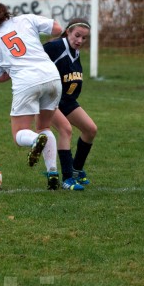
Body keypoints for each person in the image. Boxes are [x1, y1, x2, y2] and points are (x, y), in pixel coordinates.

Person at [0, 3, 64, 190]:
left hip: (26, 81)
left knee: (19, 133)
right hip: (52, 76)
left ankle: (36, 141)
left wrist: (13, 67)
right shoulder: (27, 19)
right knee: (44, 127)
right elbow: (57, 29)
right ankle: (52, 173)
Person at [43, 18, 97, 191]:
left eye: (84, 38)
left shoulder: (75, 51)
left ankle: (76, 170)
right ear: (68, 32)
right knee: (65, 130)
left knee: (90, 130)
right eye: (77, 35)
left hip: (66, 100)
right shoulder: (55, 47)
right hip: (48, 98)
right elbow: (32, 60)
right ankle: (67, 179)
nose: (80, 40)